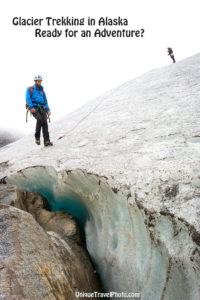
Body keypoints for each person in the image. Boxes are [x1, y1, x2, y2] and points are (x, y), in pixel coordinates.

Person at [26, 75, 53, 146]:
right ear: (35, 81)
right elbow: (28, 99)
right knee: (39, 119)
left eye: (40, 81)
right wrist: (31, 107)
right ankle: (37, 137)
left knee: (45, 123)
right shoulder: (30, 89)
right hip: (34, 108)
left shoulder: (42, 91)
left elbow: (45, 101)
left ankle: (46, 141)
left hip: (42, 108)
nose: (39, 82)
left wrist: (48, 110)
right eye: (38, 81)